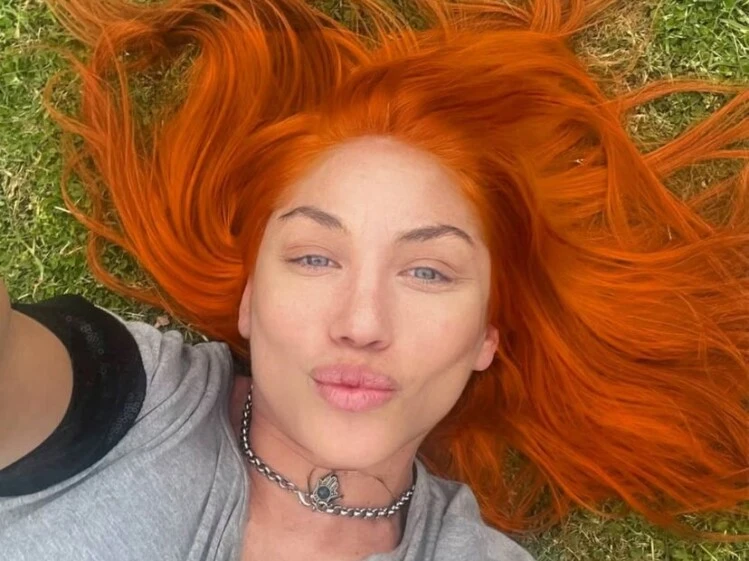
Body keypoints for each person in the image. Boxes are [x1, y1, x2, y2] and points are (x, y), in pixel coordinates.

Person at [0, 0, 747, 560]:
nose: (361, 323)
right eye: (315, 258)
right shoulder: (133, 405)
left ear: (486, 336)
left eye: (427, 271)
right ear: (250, 300)